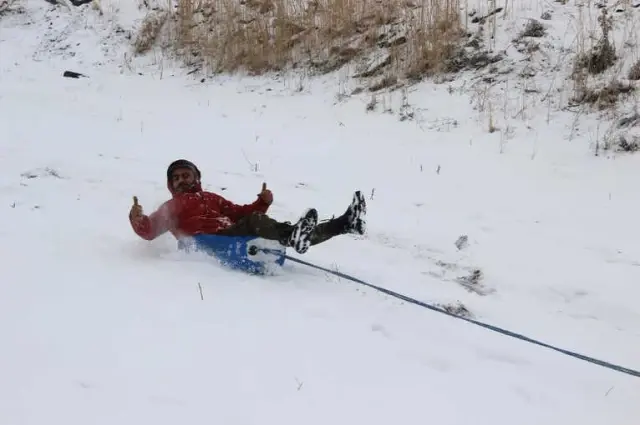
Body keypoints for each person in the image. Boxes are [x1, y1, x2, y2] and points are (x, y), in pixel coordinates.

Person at [129, 159, 366, 254]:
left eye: (185, 175)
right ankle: (293, 236)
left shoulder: (212, 198)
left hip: (231, 235)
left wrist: (262, 202)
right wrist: (138, 219)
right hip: (210, 242)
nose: (181, 180)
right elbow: (151, 229)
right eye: (176, 178)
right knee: (259, 223)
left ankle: (344, 224)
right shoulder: (173, 206)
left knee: (260, 222)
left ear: (196, 178)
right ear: (171, 185)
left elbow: (240, 213)